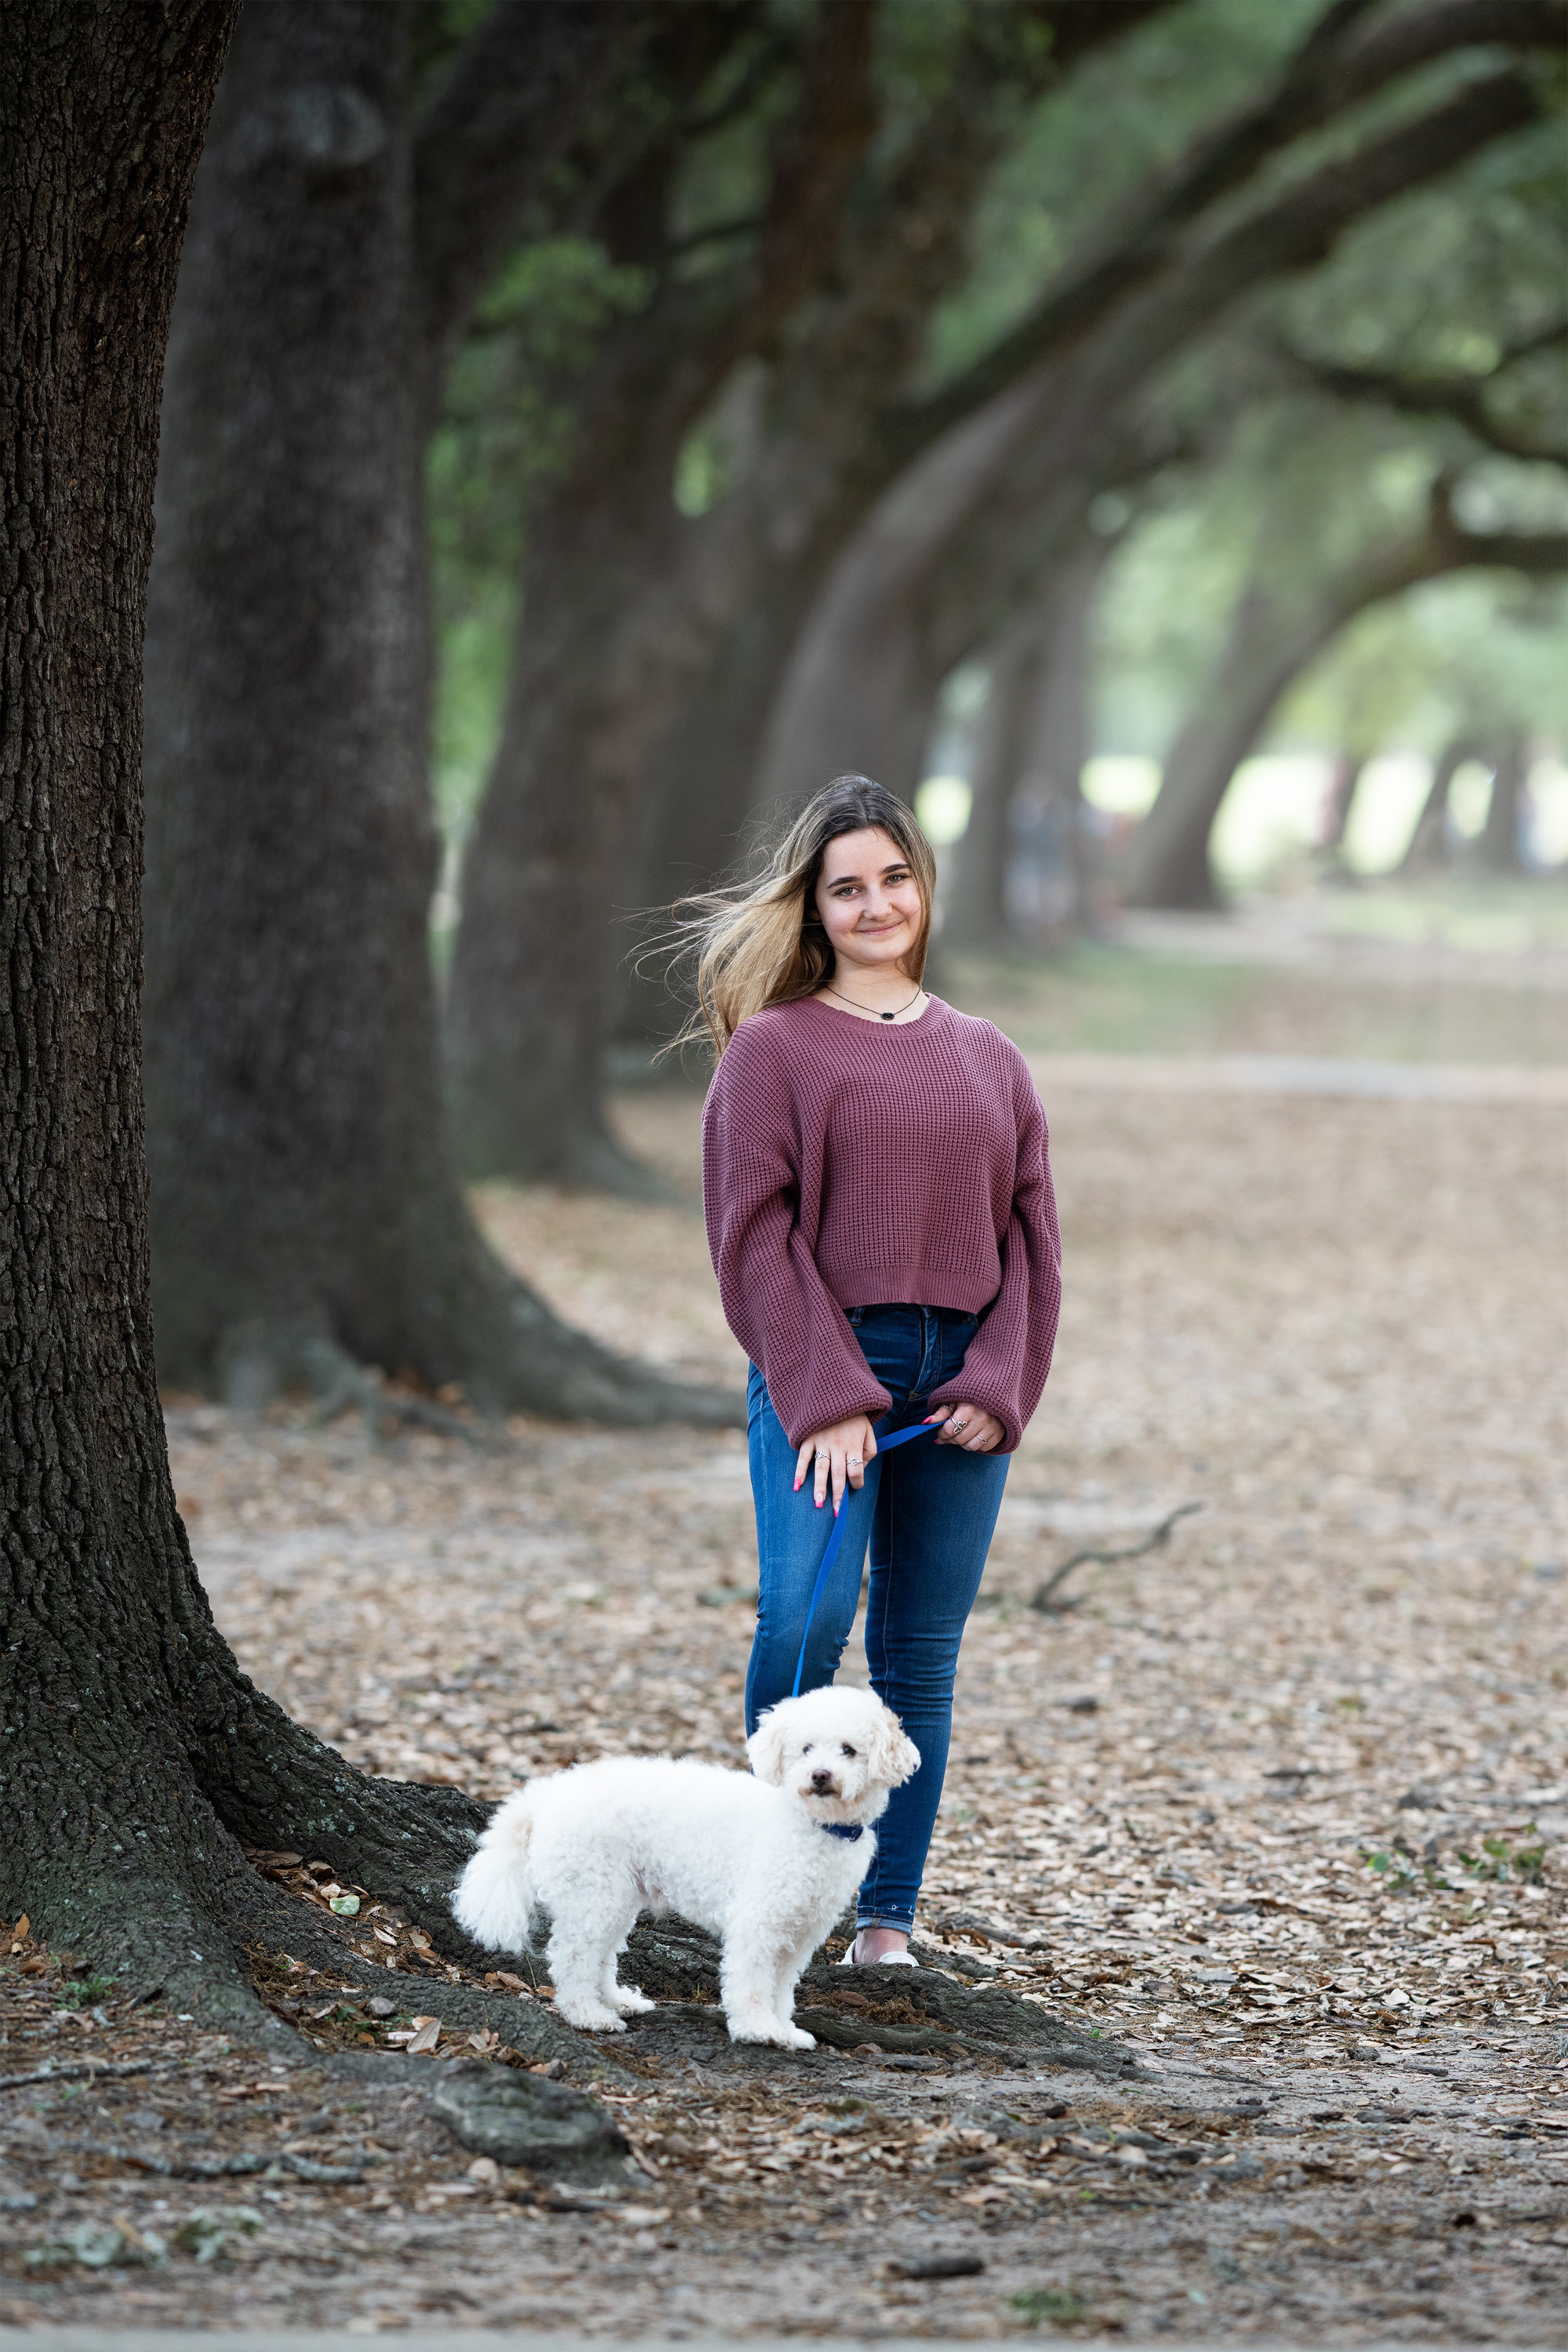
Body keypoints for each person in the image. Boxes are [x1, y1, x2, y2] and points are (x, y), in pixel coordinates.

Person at [687, 773, 1062, 1965]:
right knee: (805, 1622)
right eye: (846, 888)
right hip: (821, 1360)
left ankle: (884, 1921)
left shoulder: (989, 1056)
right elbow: (753, 1235)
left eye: (893, 878)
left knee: (917, 1660)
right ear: (813, 910)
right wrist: (827, 1395)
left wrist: (998, 1385)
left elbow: (1032, 1239)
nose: (876, 904)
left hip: (958, 1380)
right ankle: (769, 1900)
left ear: (923, 885)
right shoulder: (772, 1053)